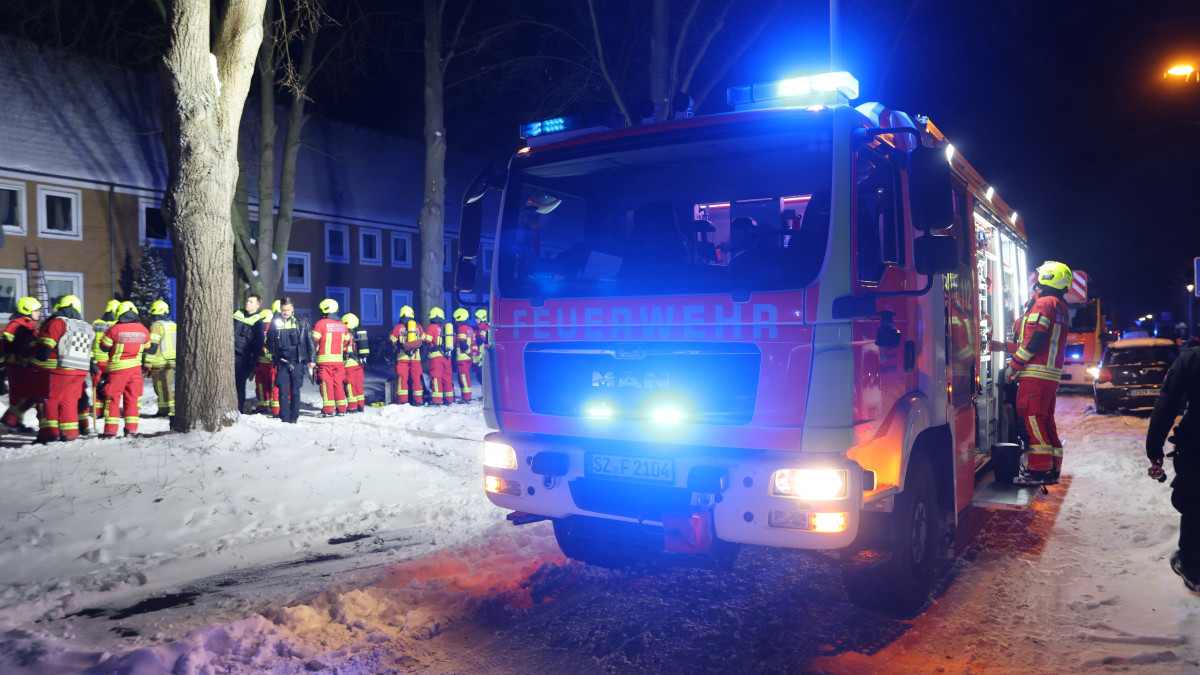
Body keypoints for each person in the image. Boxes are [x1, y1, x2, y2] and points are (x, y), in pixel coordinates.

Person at [992, 261, 1072, 485]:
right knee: (1045, 422)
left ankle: (1039, 472)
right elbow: (1037, 342)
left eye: (1040, 278)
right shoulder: (1060, 306)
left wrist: (1013, 366)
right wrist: (1003, 346)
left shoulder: (1044, 303)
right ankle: (1053, 469)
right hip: (1048, 375)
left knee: (1031, 420)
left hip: (1034, 376)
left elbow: (1035, 341)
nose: (1035, 283)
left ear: (1048, 279)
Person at [1146, 343, 1200, 590]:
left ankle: (1192, 568)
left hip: (1196, 445)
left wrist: (1154, 448)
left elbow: (1166, 404)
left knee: (1194, 502)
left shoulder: (1192, 358)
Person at [32, 295, 94, 443]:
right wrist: (94, 368)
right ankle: (70, 433)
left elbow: (45, 349)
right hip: (79, 372)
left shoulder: (56, 323)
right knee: (70, 401)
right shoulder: (86, 326)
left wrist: (34, 365)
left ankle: (49, 433)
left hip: (57, 370)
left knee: (49, 400)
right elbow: (89, 352)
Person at [98, 301, 150, 438]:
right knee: (132, 400)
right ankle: (131, 430)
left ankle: (110, 432)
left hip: (117, 370)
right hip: (136, 371)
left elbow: (103, 347)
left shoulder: (115, 329)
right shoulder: (143, 329)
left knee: (112, 399)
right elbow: (147, 347)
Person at [265, 298, 314, 424]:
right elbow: (270, 341)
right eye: (283, 310)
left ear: (293, 308)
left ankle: (294, 417)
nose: (285, 312)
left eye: (288, 310)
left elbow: (310, 341)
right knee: (282, 390)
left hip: (296, 361)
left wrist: (311, 359)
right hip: (282, 362)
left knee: (295, 390)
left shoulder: (301, 321)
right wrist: (273, 355)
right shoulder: (276, 321)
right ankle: (284, 418)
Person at [1, 296, 44, 433]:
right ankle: (9, 420)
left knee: (22, 395)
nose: (39, 313)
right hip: (17, 366)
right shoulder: (17, 324)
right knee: (27, 394)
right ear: (27, 310)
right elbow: (6, 345)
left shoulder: (28, 325)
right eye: (36, 310)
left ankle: (14, 423)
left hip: (23, 366)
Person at [311, 299, 351, 417]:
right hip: (338, 362)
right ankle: (341, 409)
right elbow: (347, 341)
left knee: (326, 384)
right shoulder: (343, 325)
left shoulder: (321, 324)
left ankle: (328, 410)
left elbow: (313, 341)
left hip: (324, 362)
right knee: (338, 384)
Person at [89, 299, 119, 434]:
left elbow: (90, 341)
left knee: (97, 387)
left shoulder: (96, 323)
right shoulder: (116, 325)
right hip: (110, 361)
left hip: (97, 361)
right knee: (109, 388)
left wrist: (91, 359)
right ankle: (107, 412)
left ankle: (98, 412)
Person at [145, 300, 177, 417]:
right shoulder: (173, 325)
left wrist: (148, 361)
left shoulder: (157, 326)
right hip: (170, 361)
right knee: (167, 385)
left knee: (160, 386)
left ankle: (165, 410)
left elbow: (153, 345)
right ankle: (168, 409)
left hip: (159, 361)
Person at [388, 305, 425, 406]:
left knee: (402, 379)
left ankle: (402, 401)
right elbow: (423, 339)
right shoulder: (418, 326)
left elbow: (392, 341)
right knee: (416, 379)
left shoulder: (398, 327)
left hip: (402, 358)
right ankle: (418, 401)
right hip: (416, 357)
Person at [234, 294, 262, 414]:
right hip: (229, 354)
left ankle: (238, 411)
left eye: (251, 302)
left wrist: (251, 364)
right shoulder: (237, 313)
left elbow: (258, 346)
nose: (247, 303)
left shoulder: (257, 322)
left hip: (243, 358)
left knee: (239, 386)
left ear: (257, 305)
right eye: (247, 300)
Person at [423, 307, 454, 405]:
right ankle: (449, 400)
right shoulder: (446, 327)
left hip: (436, 357)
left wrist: (423, 356)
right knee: (447, 378)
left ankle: (437, 400)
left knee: (436, 377)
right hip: (447, 357)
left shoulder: (431, 327)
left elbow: (427, 343)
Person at [252, 308, 279, 416]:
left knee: (261, 385)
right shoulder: (274, 327)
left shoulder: (260, 328)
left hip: (261, 363)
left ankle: (263, 406)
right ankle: (275, 407)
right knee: (273, 385)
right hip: (272, 363)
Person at [341, 312, 369, 413]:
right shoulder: (359, 333)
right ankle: (360, 406)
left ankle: (352, 407)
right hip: (359, 364)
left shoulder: (346, 335)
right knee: (358, 386)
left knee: (350, 385)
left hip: (349, 364)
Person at [452, 308, 474, 403]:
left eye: (456, 318)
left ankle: (466, 397)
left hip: (462, 357)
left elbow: (463, 343)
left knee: (463, 377)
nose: (455, 320)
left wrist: (468, 352)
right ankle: (465, 396)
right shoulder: (470, 328)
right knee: (465, 377)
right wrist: (472, 354)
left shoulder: (461, 328)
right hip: (468, 358)